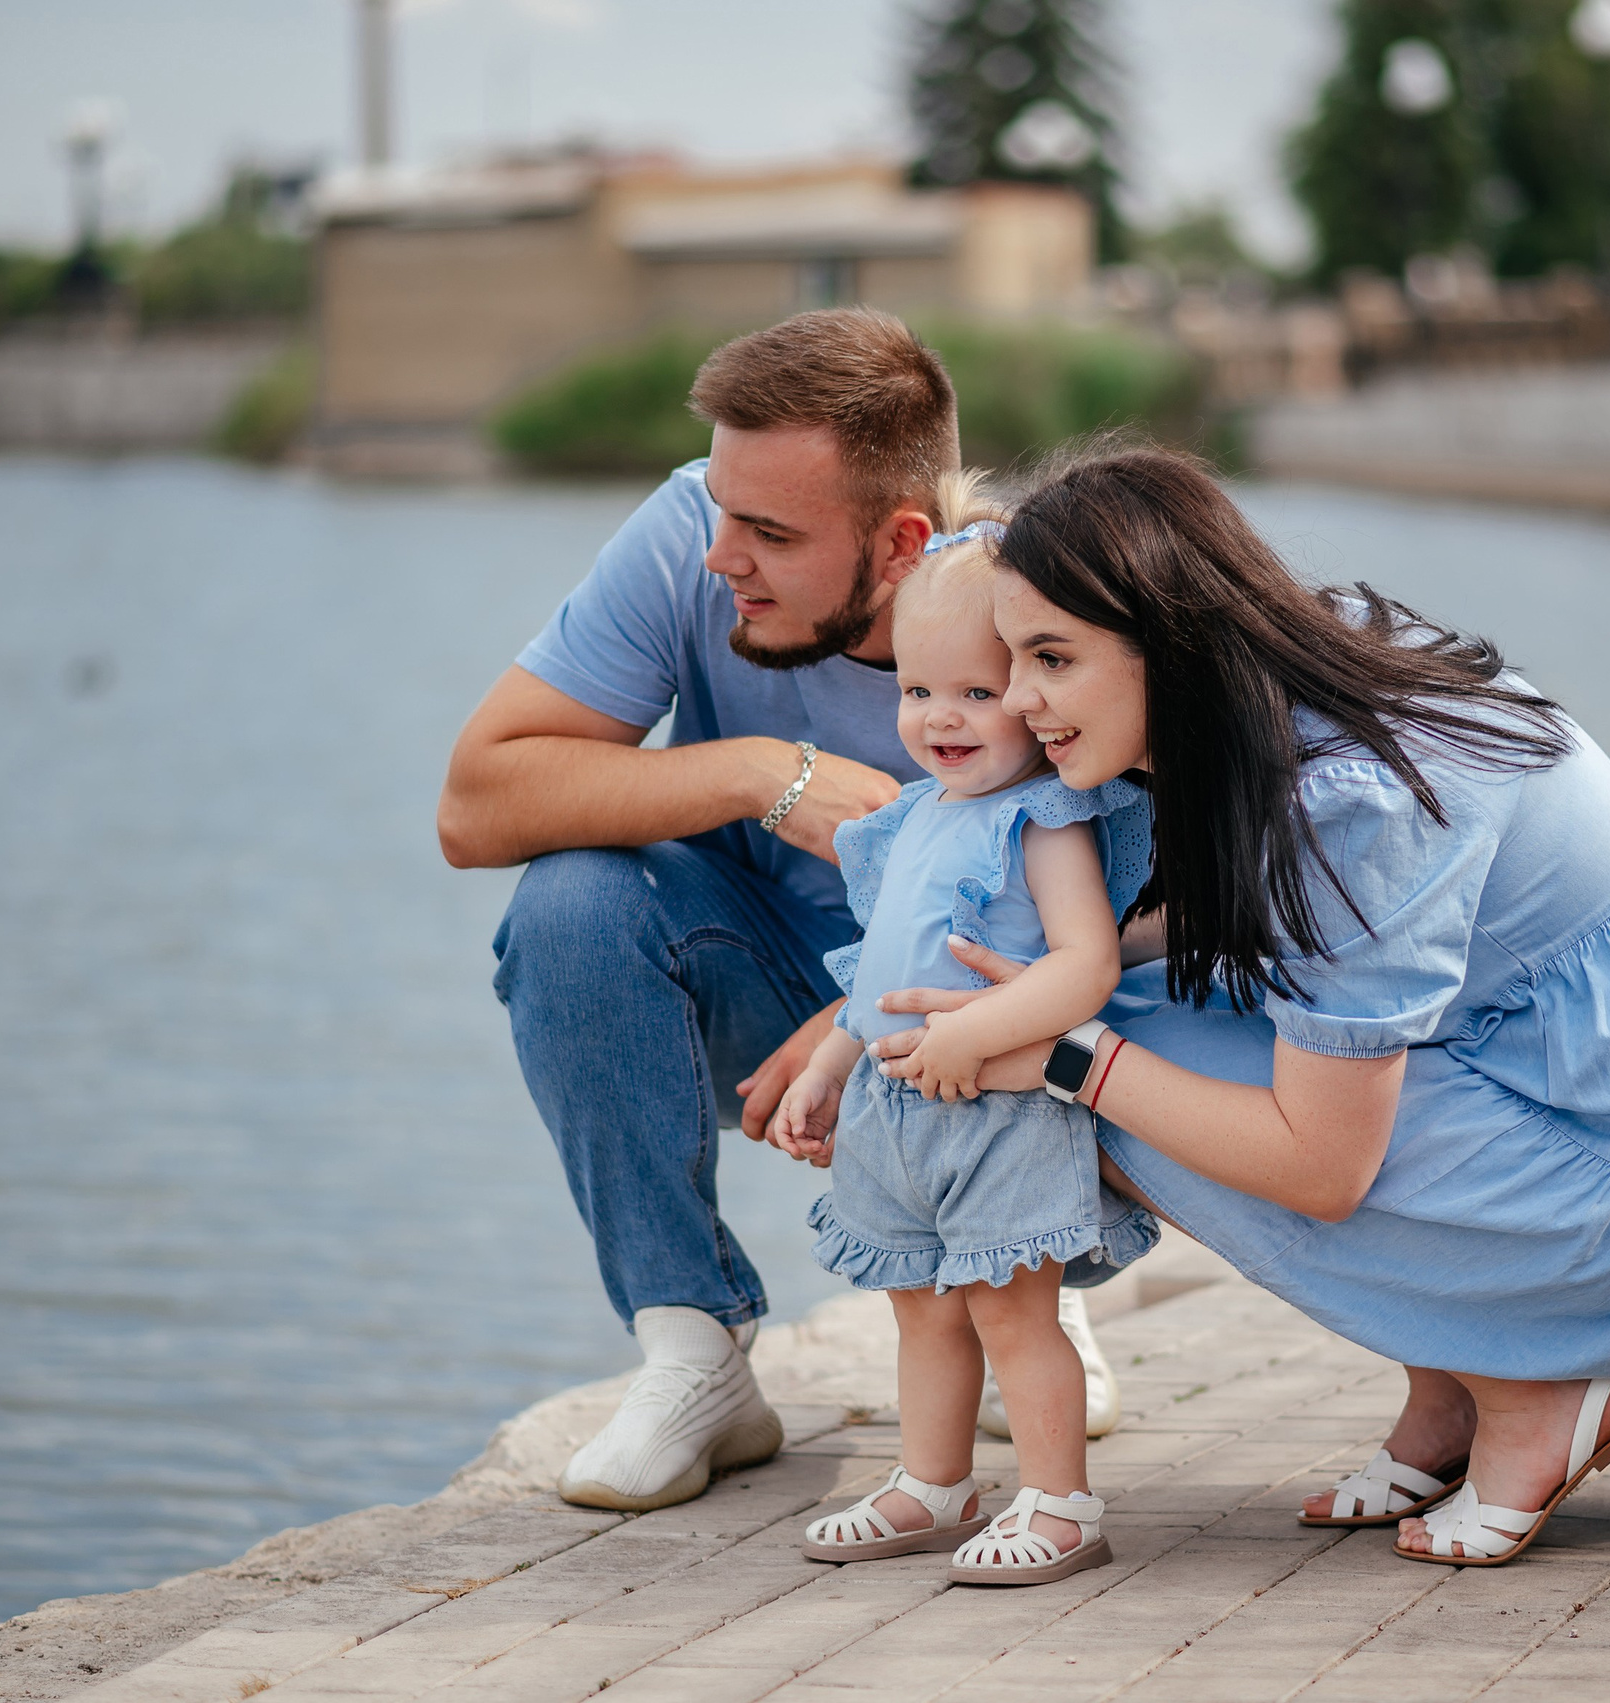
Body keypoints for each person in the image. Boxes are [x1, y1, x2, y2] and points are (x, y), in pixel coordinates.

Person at [868, 445, 1610, 1567]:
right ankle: (1451, 1393)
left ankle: (1530, 1393)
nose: (1021, 698)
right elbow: (1205, 938)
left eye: (1050, 657)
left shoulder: (1350, 802)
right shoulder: (1303, 657)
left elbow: (1321, 1164)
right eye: (1009, 657)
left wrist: (1058, 1054)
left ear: (1169, 644)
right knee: (1117, 1012)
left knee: (1106, 1056)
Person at [436, 309, 1117, 1514]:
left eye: (768, 531)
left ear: (902, 541)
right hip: (759, 973)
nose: (720, 555)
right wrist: (764, 772)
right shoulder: (689, 535)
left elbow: (1148, 912)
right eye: (721, 509)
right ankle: (694, 1346)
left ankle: (1025, 1265)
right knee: (571, 900)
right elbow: (475, 803)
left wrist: (870, 1011)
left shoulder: (1037, 598)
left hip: (975, 1018)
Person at [767, 494, 1156, 1584]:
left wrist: (980, 1028)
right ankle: (931, 1480)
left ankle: (1061, 1501)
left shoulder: (1042, 818)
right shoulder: (910, 814)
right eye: (916, 688)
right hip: (896, 1113)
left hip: (999, 1106)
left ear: (1035, 694)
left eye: (978, 692)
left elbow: (1084, 961)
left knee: (1012, 1314)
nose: (942, 716)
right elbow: (879, 971)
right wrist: (831, 1063)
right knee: (921, 1309)